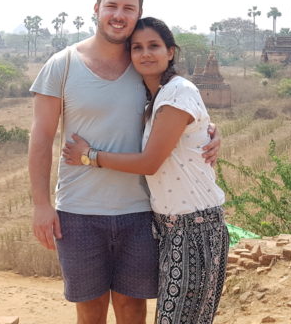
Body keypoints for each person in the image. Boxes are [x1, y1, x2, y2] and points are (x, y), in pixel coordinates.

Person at [28, 0, 219, 324]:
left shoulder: (144, 67)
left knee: (133, 310)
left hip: (139, 212)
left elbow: (179, 113)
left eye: (128, 7)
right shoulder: (63, 64)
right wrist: (42, 205)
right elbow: (41, 139)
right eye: (112, 6)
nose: (119, 14)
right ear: (97, 9)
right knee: (90, 312)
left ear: (139, 12)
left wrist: (210, 132)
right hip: (78, 211)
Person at [61, 16, 229, 324]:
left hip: (195, 227)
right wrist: (212, 129)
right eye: (137, 47)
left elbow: (150, 162)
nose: (145, 53)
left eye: (154, 46)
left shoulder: (178, 92)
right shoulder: (155, 98)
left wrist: (89, 155)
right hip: (168, 229)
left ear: (170, 52)